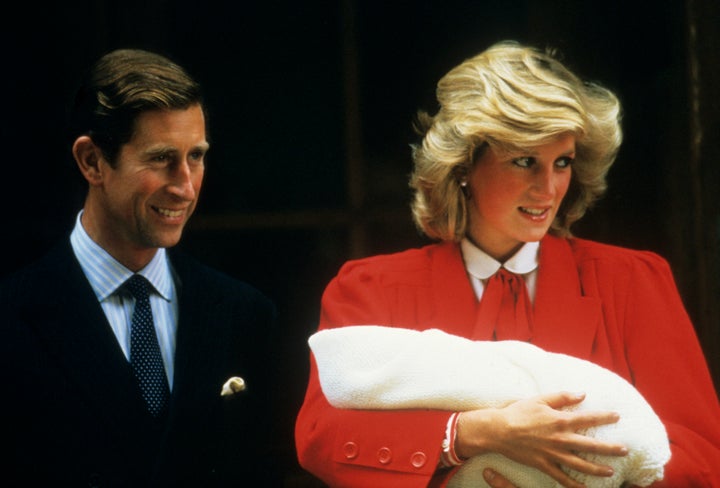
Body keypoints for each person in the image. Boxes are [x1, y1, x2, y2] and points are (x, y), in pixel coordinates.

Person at [295, 40, 720, 488]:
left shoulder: (632, 279)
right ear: (462, 166)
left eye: (562, 162)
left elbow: (701, 455)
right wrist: (469, 434)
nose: (549, 188)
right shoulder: (370, 288)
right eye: (524, 161)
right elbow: (320, 437)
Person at [0, 48, 279, 487]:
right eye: (161, 158)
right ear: (92, 161)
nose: (186, 188)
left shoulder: (246, 316)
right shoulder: (11, 318)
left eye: (196, 156)